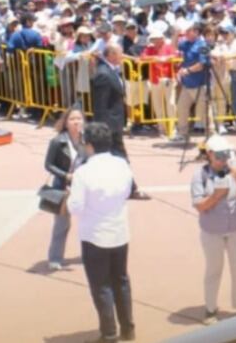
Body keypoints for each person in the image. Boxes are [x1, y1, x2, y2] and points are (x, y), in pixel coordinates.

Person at [68, 121, 135, 343]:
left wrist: (69, 198)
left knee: (101, 286)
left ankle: (109, 333)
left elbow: (75, 206)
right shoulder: (122, 165)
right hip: (119, 231)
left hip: (94, 235)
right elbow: (127, 192)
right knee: (121, 281)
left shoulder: (83, 172)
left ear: (89, 144)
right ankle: (128, 328)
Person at [192, 135, 236, 324]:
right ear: (209, 155)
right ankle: (210, 309)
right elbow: (199, 205)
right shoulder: (199, 175)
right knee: (213, 269)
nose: (224, 159)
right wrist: (216, 197)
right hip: (212, 231)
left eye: (227, 155)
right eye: (219, 155)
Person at [90, 43, 151, 201]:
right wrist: (102, 129)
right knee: (118, 158)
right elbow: (100, 105)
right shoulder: (103, 74)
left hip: (115, 124)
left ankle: (126, 188)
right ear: (110, 55)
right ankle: (131, 189)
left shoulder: (112, 71)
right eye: (119, 53)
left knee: (110, 159)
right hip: (109, 126)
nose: (122, 56)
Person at [45, 106, 90, 271]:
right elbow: (48, 165)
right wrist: (66, 176)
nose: (76, 122)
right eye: (72, 119)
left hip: (83, 187)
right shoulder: (58, 141)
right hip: (63, 187)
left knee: (87, 223)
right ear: (65, 122)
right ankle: (55, 257)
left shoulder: (87, 140)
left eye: (79, 118)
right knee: (62, 224)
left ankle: (88, 255)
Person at [174, 23, 211, 145]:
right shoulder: (185, 43)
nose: (186, 33)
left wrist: (187, 70)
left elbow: (202, 64)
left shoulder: (203, 45)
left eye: (189, 31)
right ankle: (182, 134)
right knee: (181, 108)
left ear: (196, 32)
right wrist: (175, 34)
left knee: (204, 113)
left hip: (200, 84)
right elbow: (174, 47)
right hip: (187, 84)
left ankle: (211, 136)